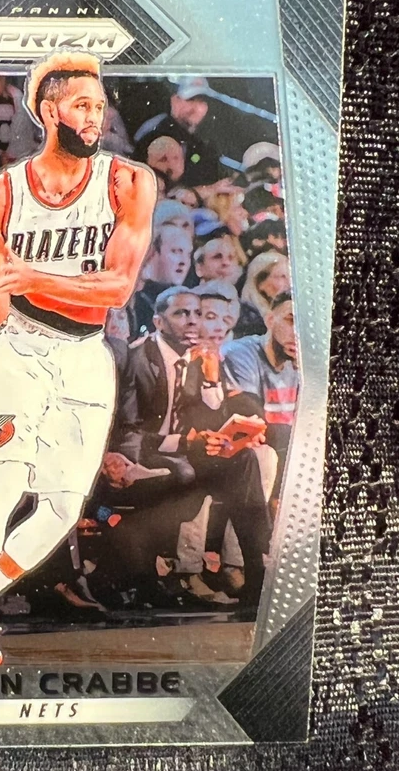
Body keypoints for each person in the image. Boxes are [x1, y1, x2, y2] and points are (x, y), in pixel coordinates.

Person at [0, 51, 157, 665]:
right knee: (8, 477)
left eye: (100, 106)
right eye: (82, 105)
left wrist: (29, 275)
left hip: (85, 352)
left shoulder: (129, 183)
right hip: (16, 346)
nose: (95, 116)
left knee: (60, 510)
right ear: (49, 112)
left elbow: (117, 288)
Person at [117, 286, 273, 607]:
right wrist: (187, 442)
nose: (192, 321)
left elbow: (215, 417)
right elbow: (129, 432)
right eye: (181, 313)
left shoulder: (200, 357)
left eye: (197, 314)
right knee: (187, 470)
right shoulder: (138, 358)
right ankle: (186, 573)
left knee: (244, 460)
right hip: (149, 450)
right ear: (158, 322)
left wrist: (212, 379)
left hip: (189, 449)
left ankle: (255, 571)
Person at [222, 292, 299, 491]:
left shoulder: (302, 362)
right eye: (291, 321)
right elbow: (250, 416)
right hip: (244, 448)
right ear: (270, 320)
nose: (298, 333)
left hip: (284, 451)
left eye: (305, 327)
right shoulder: (240, 353)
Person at [131, 225, 193, 339]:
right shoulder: (133, 297)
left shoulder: (187, 300)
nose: (183, 261)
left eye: (188, 254)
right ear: (151, 252)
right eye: (175, 251)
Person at [237, 251, 291, 337]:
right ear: (260, 283)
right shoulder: (244, 317)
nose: (289, 283)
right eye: (282, 277)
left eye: (290, 277)